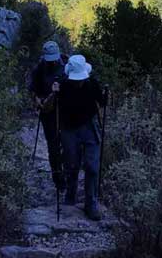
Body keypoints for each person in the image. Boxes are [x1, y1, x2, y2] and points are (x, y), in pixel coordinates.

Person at [53, 54, 107, 222]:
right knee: (72, 162)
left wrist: (105, 95)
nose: (79, 81)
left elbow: (102, 101)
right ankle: (71, 193)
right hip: (69, 127)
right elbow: (55, 104)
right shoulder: (62, 83)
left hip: (89, 126)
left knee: (92, 166)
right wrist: (55, 91)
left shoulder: (92, 83)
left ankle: (91, 204)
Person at [28, 41, 65, 191]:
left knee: (66, 144)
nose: (52, 61)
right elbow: (33, 90)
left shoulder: (66, 66)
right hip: (47, 112)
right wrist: (37, 100)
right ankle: (58, 177)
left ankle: (67, 173)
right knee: (53, 145)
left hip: (64, 111)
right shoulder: (39, 68)